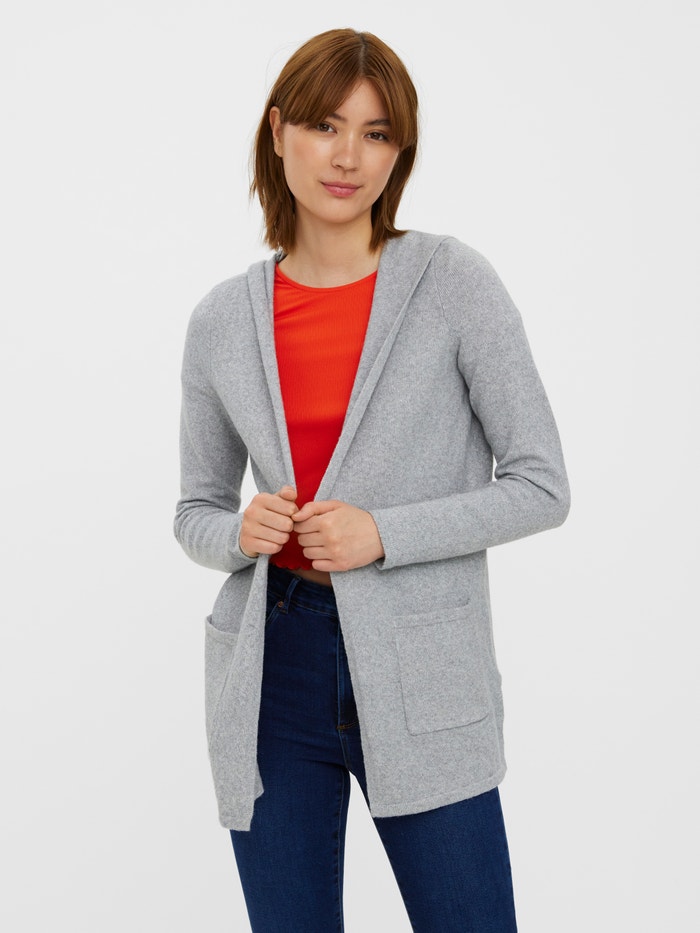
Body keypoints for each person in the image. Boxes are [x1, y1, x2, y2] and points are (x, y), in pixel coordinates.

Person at [174, 27, 569, 933]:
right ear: (279, 133)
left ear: (400, 152)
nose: (349, 156)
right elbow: (195, 509)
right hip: (272, 665)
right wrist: (239, 531)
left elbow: (543, 483)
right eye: (325, 125)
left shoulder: (453, 283)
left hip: (422, 665)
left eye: (377, 133)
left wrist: (383, 532)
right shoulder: (222, 321)